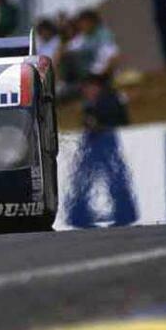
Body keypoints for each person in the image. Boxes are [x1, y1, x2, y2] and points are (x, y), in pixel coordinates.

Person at [66, 74, 137, 228]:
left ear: (95, 87)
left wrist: (97, 124)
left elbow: (117, 121)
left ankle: (120, 212)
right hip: (98, 145)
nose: (86, 91)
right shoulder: (93, 103)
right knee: (106, 178)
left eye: (88, 87)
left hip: (105, 144)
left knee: (111, 178)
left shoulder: (107, 101)